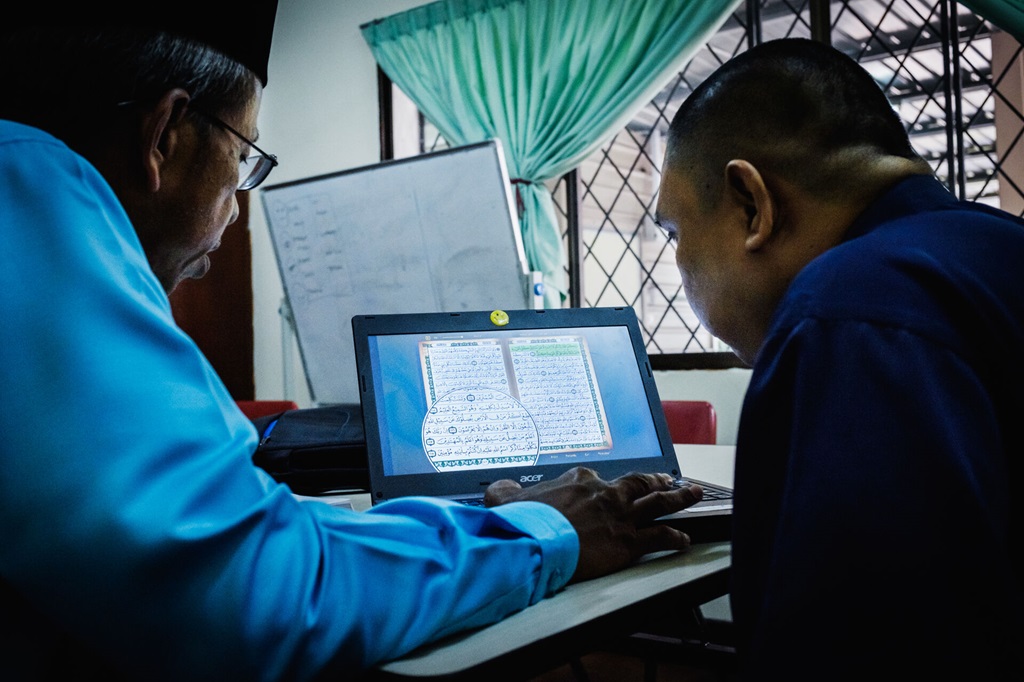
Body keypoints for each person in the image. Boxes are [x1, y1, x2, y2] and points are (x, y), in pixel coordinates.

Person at [0, 10, 704, 681]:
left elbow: (232, 533)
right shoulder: (31, 205)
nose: (236, 208)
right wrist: (542, 531)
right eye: (243, 160)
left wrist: (472, 522)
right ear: (165, 136)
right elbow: (259, 591)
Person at [648, 37, 1023, 677]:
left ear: (750, 205)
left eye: (675, 232)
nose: (678, 263)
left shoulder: (846, 316)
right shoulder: (995, 247)